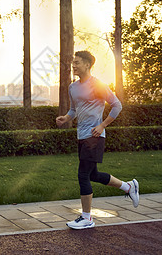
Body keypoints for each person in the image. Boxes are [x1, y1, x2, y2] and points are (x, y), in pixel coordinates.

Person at [56, 50, 139, 230]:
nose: (74, 65)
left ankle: (87, 217)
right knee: (93, 175)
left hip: (94, 136)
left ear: (87, 64)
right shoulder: (73, 87)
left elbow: (117, 105)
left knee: (83, 175)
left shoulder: (98, 85)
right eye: (73, 62)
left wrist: (102, 125)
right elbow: (74, 110)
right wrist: (65, 118)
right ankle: (128, 187)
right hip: (82, 135)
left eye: (77, 62)